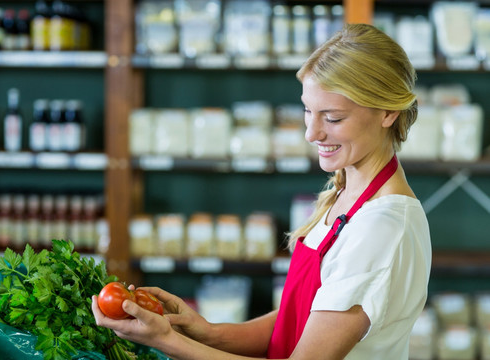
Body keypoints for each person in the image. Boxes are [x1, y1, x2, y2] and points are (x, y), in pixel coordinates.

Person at [92, 23, 432, 360]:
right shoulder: (348, 193)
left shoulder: (381, 227)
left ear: (388, 112)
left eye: (333, 118)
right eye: (307, 111)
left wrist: (168, 341)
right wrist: (205, 332)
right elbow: (298, 320)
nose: (311, 134)